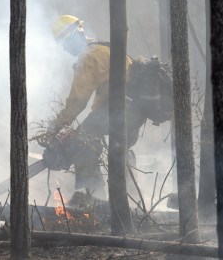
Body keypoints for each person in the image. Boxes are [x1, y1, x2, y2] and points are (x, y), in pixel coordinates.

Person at [44, 14, 173, 199]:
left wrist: (55, 126)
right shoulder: (102, 49)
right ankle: (131, 198)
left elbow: (77, 101)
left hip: (122, 108)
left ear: (74, 36)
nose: (65, 49)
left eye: (65, 43)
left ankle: (91, 195)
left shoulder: (88, 57)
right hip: (135, 110)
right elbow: (104, 96)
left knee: (84, 139)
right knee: (119, 150)